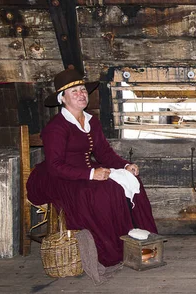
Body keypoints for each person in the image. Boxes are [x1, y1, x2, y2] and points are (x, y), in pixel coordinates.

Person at [26, 67, 158, 267]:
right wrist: (90, 174)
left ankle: (140, 242)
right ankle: (113, 248)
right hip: (58, 176)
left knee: (131, 180)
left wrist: (125, 165)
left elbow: (104, 153)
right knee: (104, 193)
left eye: (83, 90)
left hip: (87, 170)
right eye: (74, 91)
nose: (81, 94)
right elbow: (55, 166)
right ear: (63, 98)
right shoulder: (56, 127)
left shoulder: (91, 121)